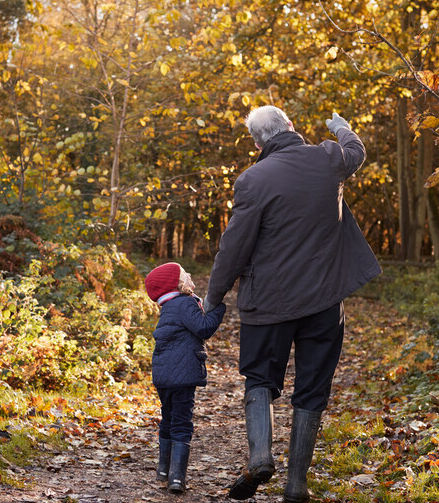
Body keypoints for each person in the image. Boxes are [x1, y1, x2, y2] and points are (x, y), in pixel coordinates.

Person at [201, 106, 381, 502]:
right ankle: (296, 484)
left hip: (269, 304)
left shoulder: (252, 180)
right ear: (290, 127)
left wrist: (214, 296)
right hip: (324, 302)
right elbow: (356, 151)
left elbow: (233, 247)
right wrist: (341, 127)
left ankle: (261, 455)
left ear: (257, 141)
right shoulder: (328, 158)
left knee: (260, 378)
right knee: (313, 388)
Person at [144, 262, 226, 494]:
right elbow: (203, 328)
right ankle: (177, 478)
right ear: (177, 285)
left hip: (163, 374)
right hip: (183, 375)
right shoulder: (185, 303)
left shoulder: (169, 307)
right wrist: (219, 308)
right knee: (182, 422)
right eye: (185, 275)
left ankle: (163, 470)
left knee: (168, 418)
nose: (190, 276)